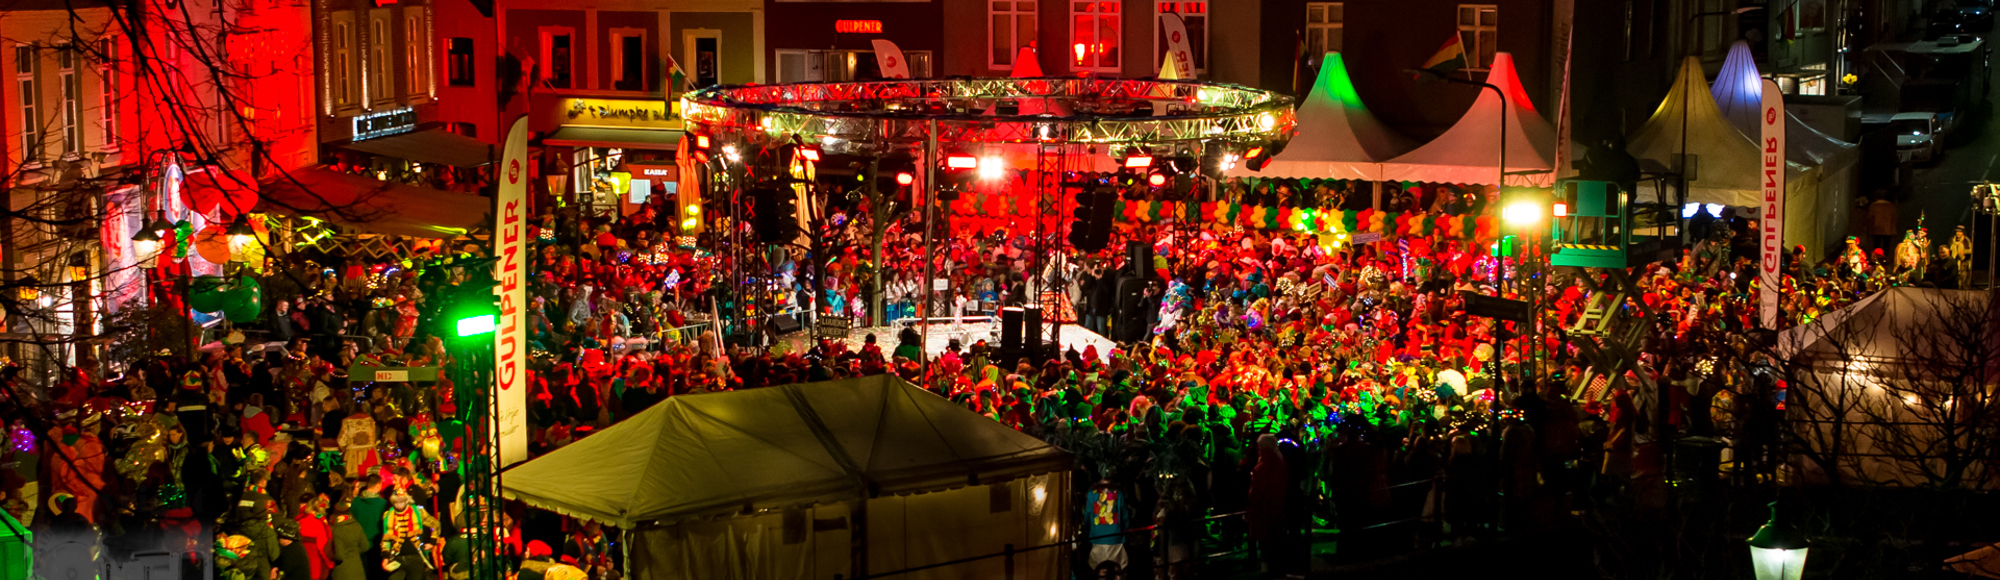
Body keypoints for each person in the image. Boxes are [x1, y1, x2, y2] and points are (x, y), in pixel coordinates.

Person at [1246, 434, 1289, 576]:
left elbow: (1256, 490)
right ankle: (1277, 565)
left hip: (1264, 507)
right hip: (1277, 505)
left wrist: (1250, 507)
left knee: (1265, 539)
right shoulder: (1279, 460)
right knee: (1275, 537)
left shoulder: (1263, 465)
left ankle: (1266, 568)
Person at [379, 487, 439, 580]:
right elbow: (386, 539)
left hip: (415, 556)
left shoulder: (418, 512)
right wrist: (386, 557)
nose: (398, 505)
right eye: (396, 502)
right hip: (397, 558)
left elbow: (435, 524)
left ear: (407, 500)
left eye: (401, 501)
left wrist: (432, 542)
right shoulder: (388, 516)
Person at [330, 501, 368, 580]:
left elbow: (339, 556)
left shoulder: (336, 530)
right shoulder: (356, 525)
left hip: (342, 572)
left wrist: (330, 556)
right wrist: (353, 552)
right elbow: (365, 546)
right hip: (357, 568)